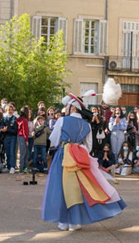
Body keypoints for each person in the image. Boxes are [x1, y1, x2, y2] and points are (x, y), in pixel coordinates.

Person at [41, 94, 126, 231]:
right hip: (79, 157)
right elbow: (89, 146)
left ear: (73, 107)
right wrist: (78, 150)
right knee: (78, 188)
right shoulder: (86, 125)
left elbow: (54, 139)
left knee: (62, 187)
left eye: (67, 106)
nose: (65, 109)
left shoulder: (62, 120)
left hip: (63, 156)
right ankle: (75, 221)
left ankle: (64, 221)